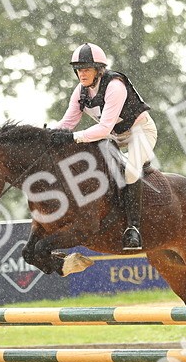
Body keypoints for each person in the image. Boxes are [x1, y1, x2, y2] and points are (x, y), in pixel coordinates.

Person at [49, 42, 157, 251]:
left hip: (140, 132)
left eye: (87, 69)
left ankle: (133, 229)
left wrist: (72, 138)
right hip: (115, 135)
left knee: (131, 172)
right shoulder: (80, 92)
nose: (82, 73)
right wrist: (48, 135)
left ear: (99, 69)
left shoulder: (115, 86)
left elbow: (104, 126)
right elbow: (68, 123)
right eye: (79, 69)